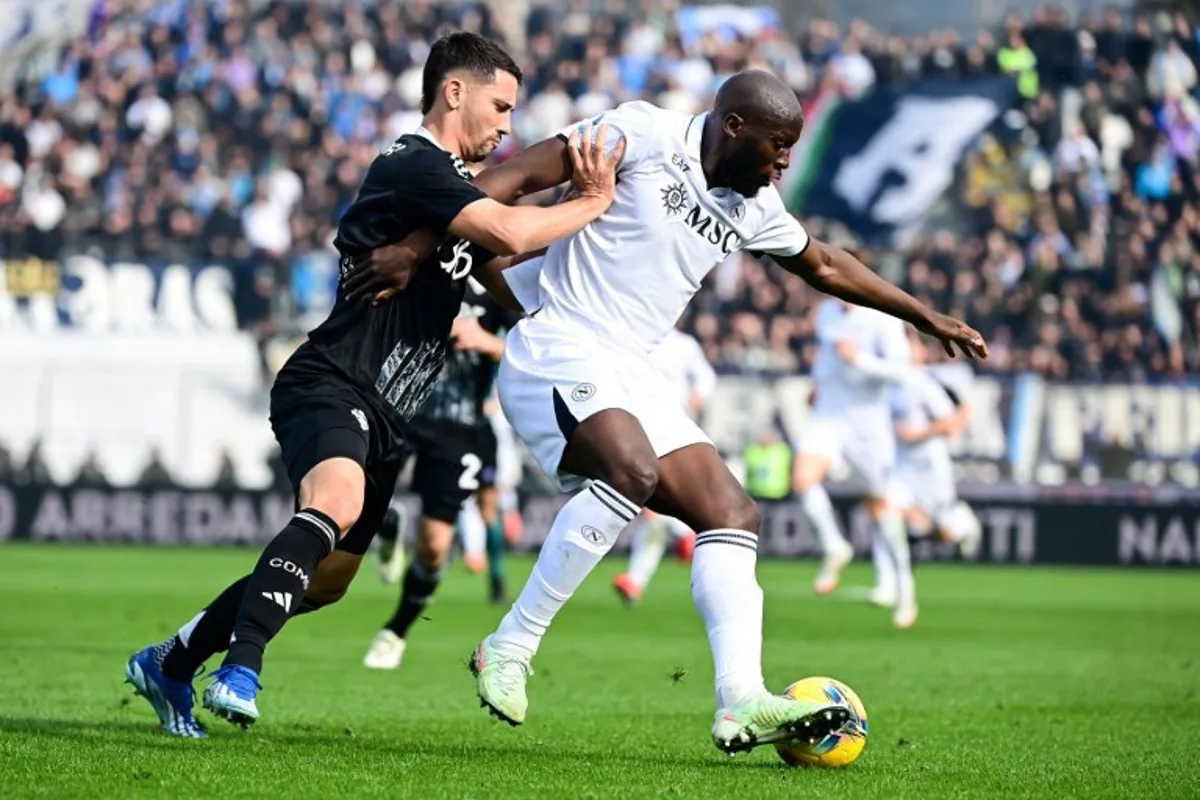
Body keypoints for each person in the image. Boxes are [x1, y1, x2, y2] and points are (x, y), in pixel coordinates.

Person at [351, 69, 986, 754]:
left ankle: (740, 699)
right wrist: (417, 249)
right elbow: (516, 178)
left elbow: (826, 265)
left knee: (733, 514)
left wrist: (923, 316)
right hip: (557, 341)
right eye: (779, 146)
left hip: (631, 369)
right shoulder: (645, 133)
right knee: (632, 471)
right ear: (734, 128)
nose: (785, 163)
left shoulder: (754, 207)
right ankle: (509, 646)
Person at [122, 32, 623, 737]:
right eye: (500, 106)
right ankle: (241, 669)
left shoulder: (446, 195)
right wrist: (596, 200)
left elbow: (504, 282)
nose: (508, 126)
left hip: (390, 412)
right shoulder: (412, 164)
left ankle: (170, 661)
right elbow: (508, 227)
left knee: (325, 581)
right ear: (455, 92)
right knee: (336, 501)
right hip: (333, 380)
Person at [363, 276, 520, 671]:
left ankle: (396, 631)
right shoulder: (420, 270)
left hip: (460, 426)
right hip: (400, 409)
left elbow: (537, 349)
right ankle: (384, 523)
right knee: (355, 491)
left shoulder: (499, 288)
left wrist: (487, 342)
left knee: (435, 546)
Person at [791, 295, 919, 628]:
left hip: (867, 424)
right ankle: (835, 546)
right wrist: (817, 384)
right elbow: (826, 354)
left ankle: (905, 588)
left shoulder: (884, 320)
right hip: (829, 414)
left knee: (879, 507)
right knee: (802, 478)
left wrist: (859, 358)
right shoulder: (827, 311)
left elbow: (902, 371)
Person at [612, 326, 715, 604]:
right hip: (638, 426)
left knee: (650, 505)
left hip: (670, 428)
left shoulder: (683, 343)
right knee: (652, 512)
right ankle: (638, 578)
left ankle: (681, 538)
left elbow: (706, 376)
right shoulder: (634, 334)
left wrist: (699, 396)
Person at [881, 327, 981, 606]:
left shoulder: (925, 383)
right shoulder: (889, 380)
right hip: (901, 466)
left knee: (942, 530)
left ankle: (964, 524)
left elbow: (949, 425)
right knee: (887, 515)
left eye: (909, 344)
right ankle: (889, 585)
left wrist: (917, 435)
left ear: (922, 350)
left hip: (929, 466)